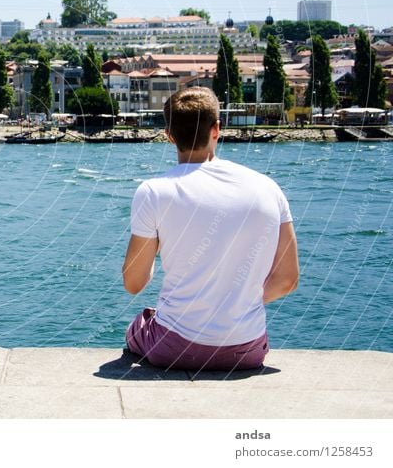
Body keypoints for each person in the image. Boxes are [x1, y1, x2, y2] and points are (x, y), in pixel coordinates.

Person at [123, 86, 299, 371]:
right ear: (217, 128)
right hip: (247, 350)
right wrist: (239, 300)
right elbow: (287, 280)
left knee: (139, 325)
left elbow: (134, 283)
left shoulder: (154, 192)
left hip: (173, 348)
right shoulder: (269, 188)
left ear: (169, 134)